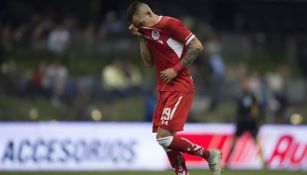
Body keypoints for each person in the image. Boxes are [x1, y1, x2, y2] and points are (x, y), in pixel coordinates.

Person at [127, 2, 222, 175]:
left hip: (180, 85)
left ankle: (209, 155)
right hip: (165, 89)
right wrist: (141, 38)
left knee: (163, 137)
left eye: (140, 24)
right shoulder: (147, 34)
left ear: (148, 13)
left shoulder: (170, 24)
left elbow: (197, 46)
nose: (140, 28)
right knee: (166, 139)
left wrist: (175, 70)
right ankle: (182, 173)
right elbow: (148, 63)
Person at [226, 75, 265, 167]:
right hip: (241, 121)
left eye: (246, 83)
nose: (244, 85)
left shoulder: (253, 95)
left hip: (251, 121)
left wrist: (257, 120)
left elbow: (257, 108)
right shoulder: (239, 95)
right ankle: (228, 161)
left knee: (256, 141)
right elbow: (238, 109)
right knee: (234, 140)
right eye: (243, 83)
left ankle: (263, 161)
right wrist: (236, 119)